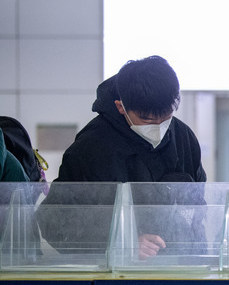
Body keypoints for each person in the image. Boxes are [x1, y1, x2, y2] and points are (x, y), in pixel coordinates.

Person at [39, 56, 207, 259]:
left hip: (178, 267)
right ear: (121, 107)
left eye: (166, 118)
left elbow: (197, 208)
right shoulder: (91, 147)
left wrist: (200, 258)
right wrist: (122, 242)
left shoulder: (183, 137)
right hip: (112, 271)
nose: (158, 127)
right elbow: (54, 222)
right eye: (146, 120)